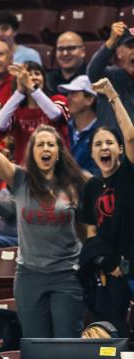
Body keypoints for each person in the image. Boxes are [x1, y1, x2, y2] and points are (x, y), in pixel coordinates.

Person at [0, 82, 87, 339]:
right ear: (32, 151)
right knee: (36, 342)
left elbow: (90, 227)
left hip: (66, 272)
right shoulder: (21, 179)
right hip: (29, 274)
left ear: (59, 152)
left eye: (50, 145)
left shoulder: (76, 182)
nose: (45, 149)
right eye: (40, 145)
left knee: (66, 342)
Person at [79, 78, 134, 335]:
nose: (104, 147)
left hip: (131, 264)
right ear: (91, 154)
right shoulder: (91, 187)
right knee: (115, 334)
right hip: (109, 272)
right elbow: (92, 234)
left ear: (120, 150)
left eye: (109, 143)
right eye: (98, 144)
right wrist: (101, 265)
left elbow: (132, 136)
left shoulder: (127, 175)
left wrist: (112, 96)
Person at [0, 61, 69, 164]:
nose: (33, 77)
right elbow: (0, 124)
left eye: (37, 73)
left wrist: (31, 87)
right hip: (26, 167)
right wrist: (19, 92)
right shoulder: (16, 109)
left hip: (57, 164)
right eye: (28, 75)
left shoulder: (58, 100)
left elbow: (55, 115)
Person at [88, 22, 134, 131]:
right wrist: (111, 42)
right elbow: (93, 72)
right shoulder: (110, 77)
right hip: (110, 146)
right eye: (130, 46)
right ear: (118, 52)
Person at [0, 11, 43, 84]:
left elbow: (38, 85)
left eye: (5, 29)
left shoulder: (30, 55)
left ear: (15, 31)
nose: (0, 34)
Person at [60, 75, 99, 176]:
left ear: (90, 99)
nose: (68, 98)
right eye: (68, 94)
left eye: (73, 93)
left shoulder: (101, 132)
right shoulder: (63, 129)